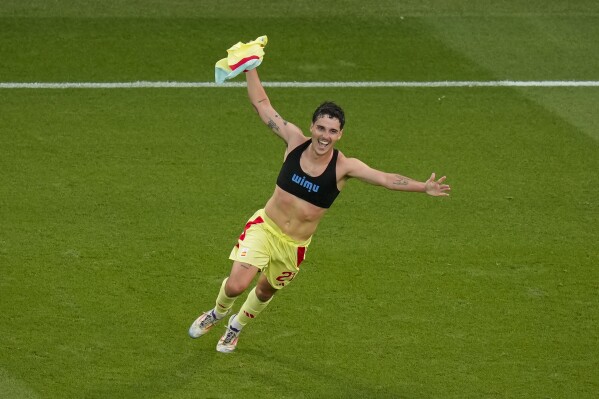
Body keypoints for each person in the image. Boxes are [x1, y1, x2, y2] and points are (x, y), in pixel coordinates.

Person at [189, 68, 451, 353]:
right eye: (321, 128)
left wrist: (422, 187)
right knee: (237, 285)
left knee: (265, 290)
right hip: (265, 228)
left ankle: (235, 328)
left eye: (333, 131)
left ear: (340, 134)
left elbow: (386, 179)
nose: (325, 136)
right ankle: (216, 313)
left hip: (294, 246)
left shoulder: (344, 167)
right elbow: (262, 105)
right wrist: (250, 67)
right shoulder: (293, 141)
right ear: (312, 126)